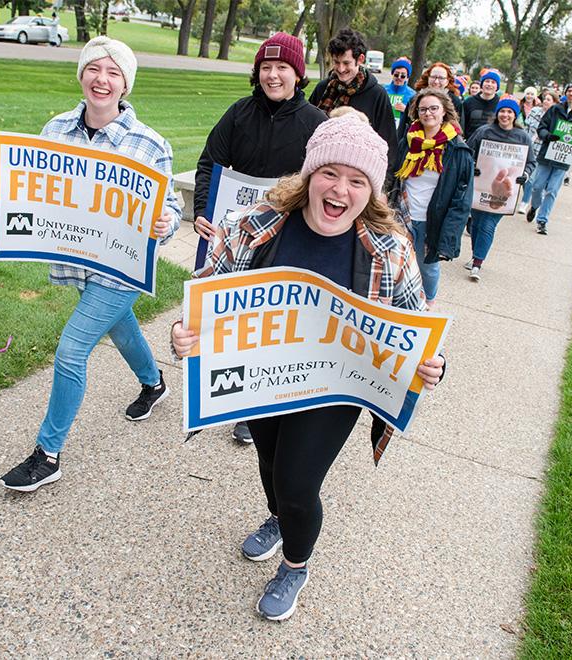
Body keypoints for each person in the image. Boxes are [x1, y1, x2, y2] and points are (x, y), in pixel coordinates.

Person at [171, 112, 445, 621]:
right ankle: (277, 517)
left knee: (298, 484)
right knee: (271, 465)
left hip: (333, 388)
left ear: (372, 190)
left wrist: (432, 363)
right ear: (309, 174)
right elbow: (208, 291)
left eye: (357, 180)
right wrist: (183, 332)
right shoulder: (258, 223)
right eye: (330, 173)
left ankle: (296, 564)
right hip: (262, 378)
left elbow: (416, 321)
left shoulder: (389, 248)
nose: (341, 189)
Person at [0, 37, 181, 492]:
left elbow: (166, 212)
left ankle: (47, 454)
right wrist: (0, 191)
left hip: (121, 270)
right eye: (94, 69)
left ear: (125, 83)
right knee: (121, 326)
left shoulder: (149, 144)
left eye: (113, 72)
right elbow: (35, 191)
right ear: (82, 75)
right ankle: (154, 384)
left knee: (71, 350)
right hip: (79, 265)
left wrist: (164, 223)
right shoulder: (56, 130)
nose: (102, 80)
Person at [193, 32, 326, 444]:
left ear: (298, 73)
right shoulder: (238, 113)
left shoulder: (315, 123)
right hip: (241, 234)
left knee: (275, 320)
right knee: (237, 315)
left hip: (289, 237)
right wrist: (202, 210)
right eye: (266, 67)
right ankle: (234, 391)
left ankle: (259, 406)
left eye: (282, 67)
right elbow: (210, 162)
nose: (273, 75)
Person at [392, 88, 473, 306]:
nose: (428, 113)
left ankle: (427, 304)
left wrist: (449, 239)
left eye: (433, 108)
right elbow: (394, 177)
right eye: (423, 109)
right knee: (397, 263)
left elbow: (461, 200)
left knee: (427, 267)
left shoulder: (458, 151)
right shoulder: (409, 142)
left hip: (432, 221)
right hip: (402, 215)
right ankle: (398, 303)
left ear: (444, 111)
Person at [309, 28, 397, 181]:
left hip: (357, 177)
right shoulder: (323, 88)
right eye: (336, 62)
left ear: (360, 59)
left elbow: (388, 145)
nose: (341, 69)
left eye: (346, 63)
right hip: (320, 170)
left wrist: (383, 187)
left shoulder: (377, 95)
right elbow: (307, 127)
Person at [465, 97, 535, 281]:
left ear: (515, 115)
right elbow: (467, 151)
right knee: (478, 224)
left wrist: (524, 175)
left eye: (509, 112)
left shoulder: (523, 137)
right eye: (502, 111)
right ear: (497, 113)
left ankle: (477, 264)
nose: (505, 115)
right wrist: (473, 165)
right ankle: (475, 255)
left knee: (488, 225)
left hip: (504, 192)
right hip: (480, 187)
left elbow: (531, 162)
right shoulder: (484, 132)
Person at [527, 81, 572, 234]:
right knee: (537, 186)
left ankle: (542, 220)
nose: (571, 94)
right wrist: (547, 136)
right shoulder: (555, 110)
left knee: (552, 191)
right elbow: (542, 126)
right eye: (569, 91)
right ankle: (535, 206)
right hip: (547, 155)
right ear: (565, 93)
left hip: (564, 158)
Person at [517, 89, 558, 214]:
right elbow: (527, 128)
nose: (545, 101)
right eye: (545, 98)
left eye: (549, 100)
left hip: (541, 151)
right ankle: (531, 198)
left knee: (531, 179)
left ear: (555, 103)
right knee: (523, 175)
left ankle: (524, 203)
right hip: (528, 146)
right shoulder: (535, 111)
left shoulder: (555, 117)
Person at [398, 62, 463, 140]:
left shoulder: (455, 102)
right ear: (428, 78)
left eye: (441, 78)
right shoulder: (415, 99)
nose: (436, 81)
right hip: (414, 144)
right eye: (433, 77)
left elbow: (459, 130)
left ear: (447, 81)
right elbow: (403, 128)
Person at [462, 70, 501, 139]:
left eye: (493, 82)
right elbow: (462, 124)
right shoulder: (469, 102)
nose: (489, 84)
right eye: (487, 81)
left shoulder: (501, 104)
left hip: (492, 143)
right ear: (482, 84)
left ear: (497, 87)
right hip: (471, 142)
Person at [383, 58, 415, 129]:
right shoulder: (383, 90)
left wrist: (406, 110)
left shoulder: (412, 95)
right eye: (396, 75)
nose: (399, 78)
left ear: (407, 77)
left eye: (403, 76)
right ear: (392, 74)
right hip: (383, 127)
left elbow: (416, 116)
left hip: (401, 131)